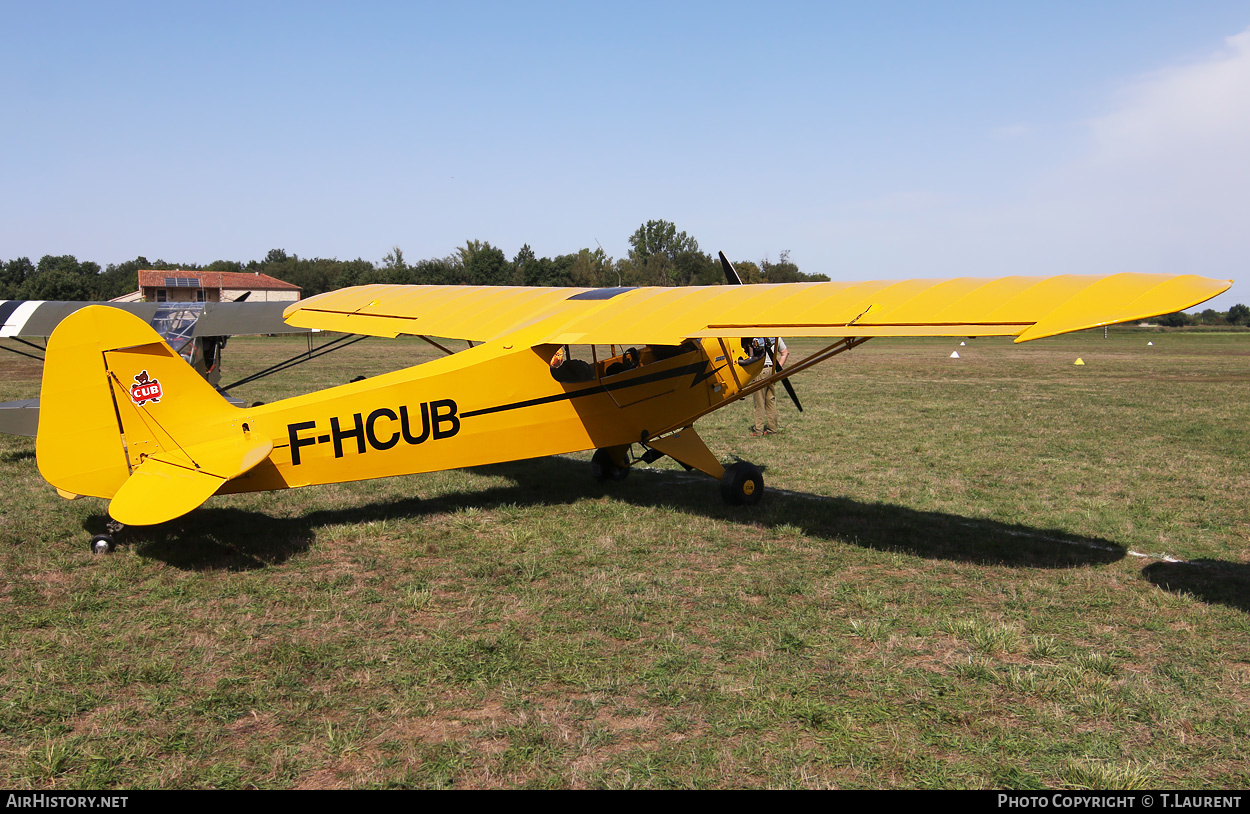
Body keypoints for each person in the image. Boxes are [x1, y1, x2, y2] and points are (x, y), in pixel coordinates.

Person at [749, 337, 788, 436]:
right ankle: (772, 429)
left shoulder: (754, 336)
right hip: (771, 370)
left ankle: (758, 431)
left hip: (760, 370)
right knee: (771, 401)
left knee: (759, 403)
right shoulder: (776, 337)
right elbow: (785, 353)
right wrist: (776, 368)